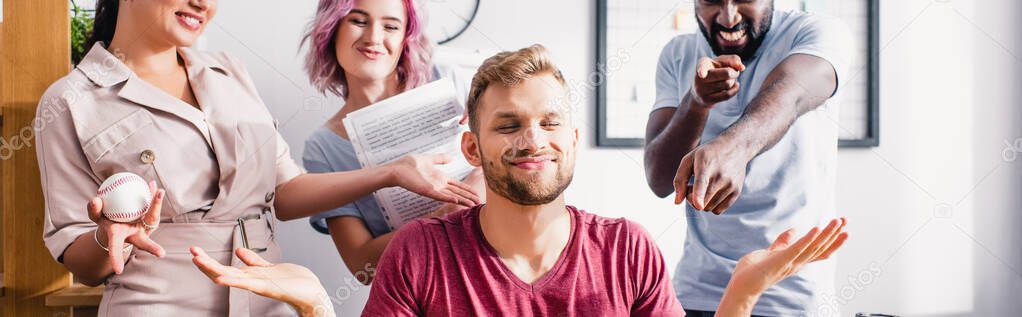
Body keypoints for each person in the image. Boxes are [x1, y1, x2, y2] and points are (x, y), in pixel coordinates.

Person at [191, 45, 849, 317]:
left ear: (572, 141)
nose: (531, 138)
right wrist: (315, 303)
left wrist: (743, 290)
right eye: (508, 125)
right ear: (472, 149)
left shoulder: (628, 252)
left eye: (547, 122)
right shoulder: (419, 255)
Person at [36, 0, 476, 315]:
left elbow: (284, 193)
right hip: (158, 303)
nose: (202, 3)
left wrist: (390, 174)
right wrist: (107, 238)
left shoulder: (229, 71)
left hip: (267, 296)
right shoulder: (72, 101)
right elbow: (80, 257)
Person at [642, 0, 851, 315]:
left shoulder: (817, 33)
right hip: (699, 294)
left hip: (792, 297)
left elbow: (790, 96)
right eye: (712, 1)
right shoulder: (678, 53)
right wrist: (696, 103)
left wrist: (733, 148)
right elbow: (659, 178)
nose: (728, 17)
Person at [296, 0, 484, 284]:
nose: (373, 38)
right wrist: (444, 217)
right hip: (422, 292)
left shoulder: (448, 80)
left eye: (391, 26)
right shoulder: (323, 148)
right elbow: (363, 266)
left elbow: (517, 158)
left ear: (405, 38)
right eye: (358, 21)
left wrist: (483, 172)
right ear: (332, 29)